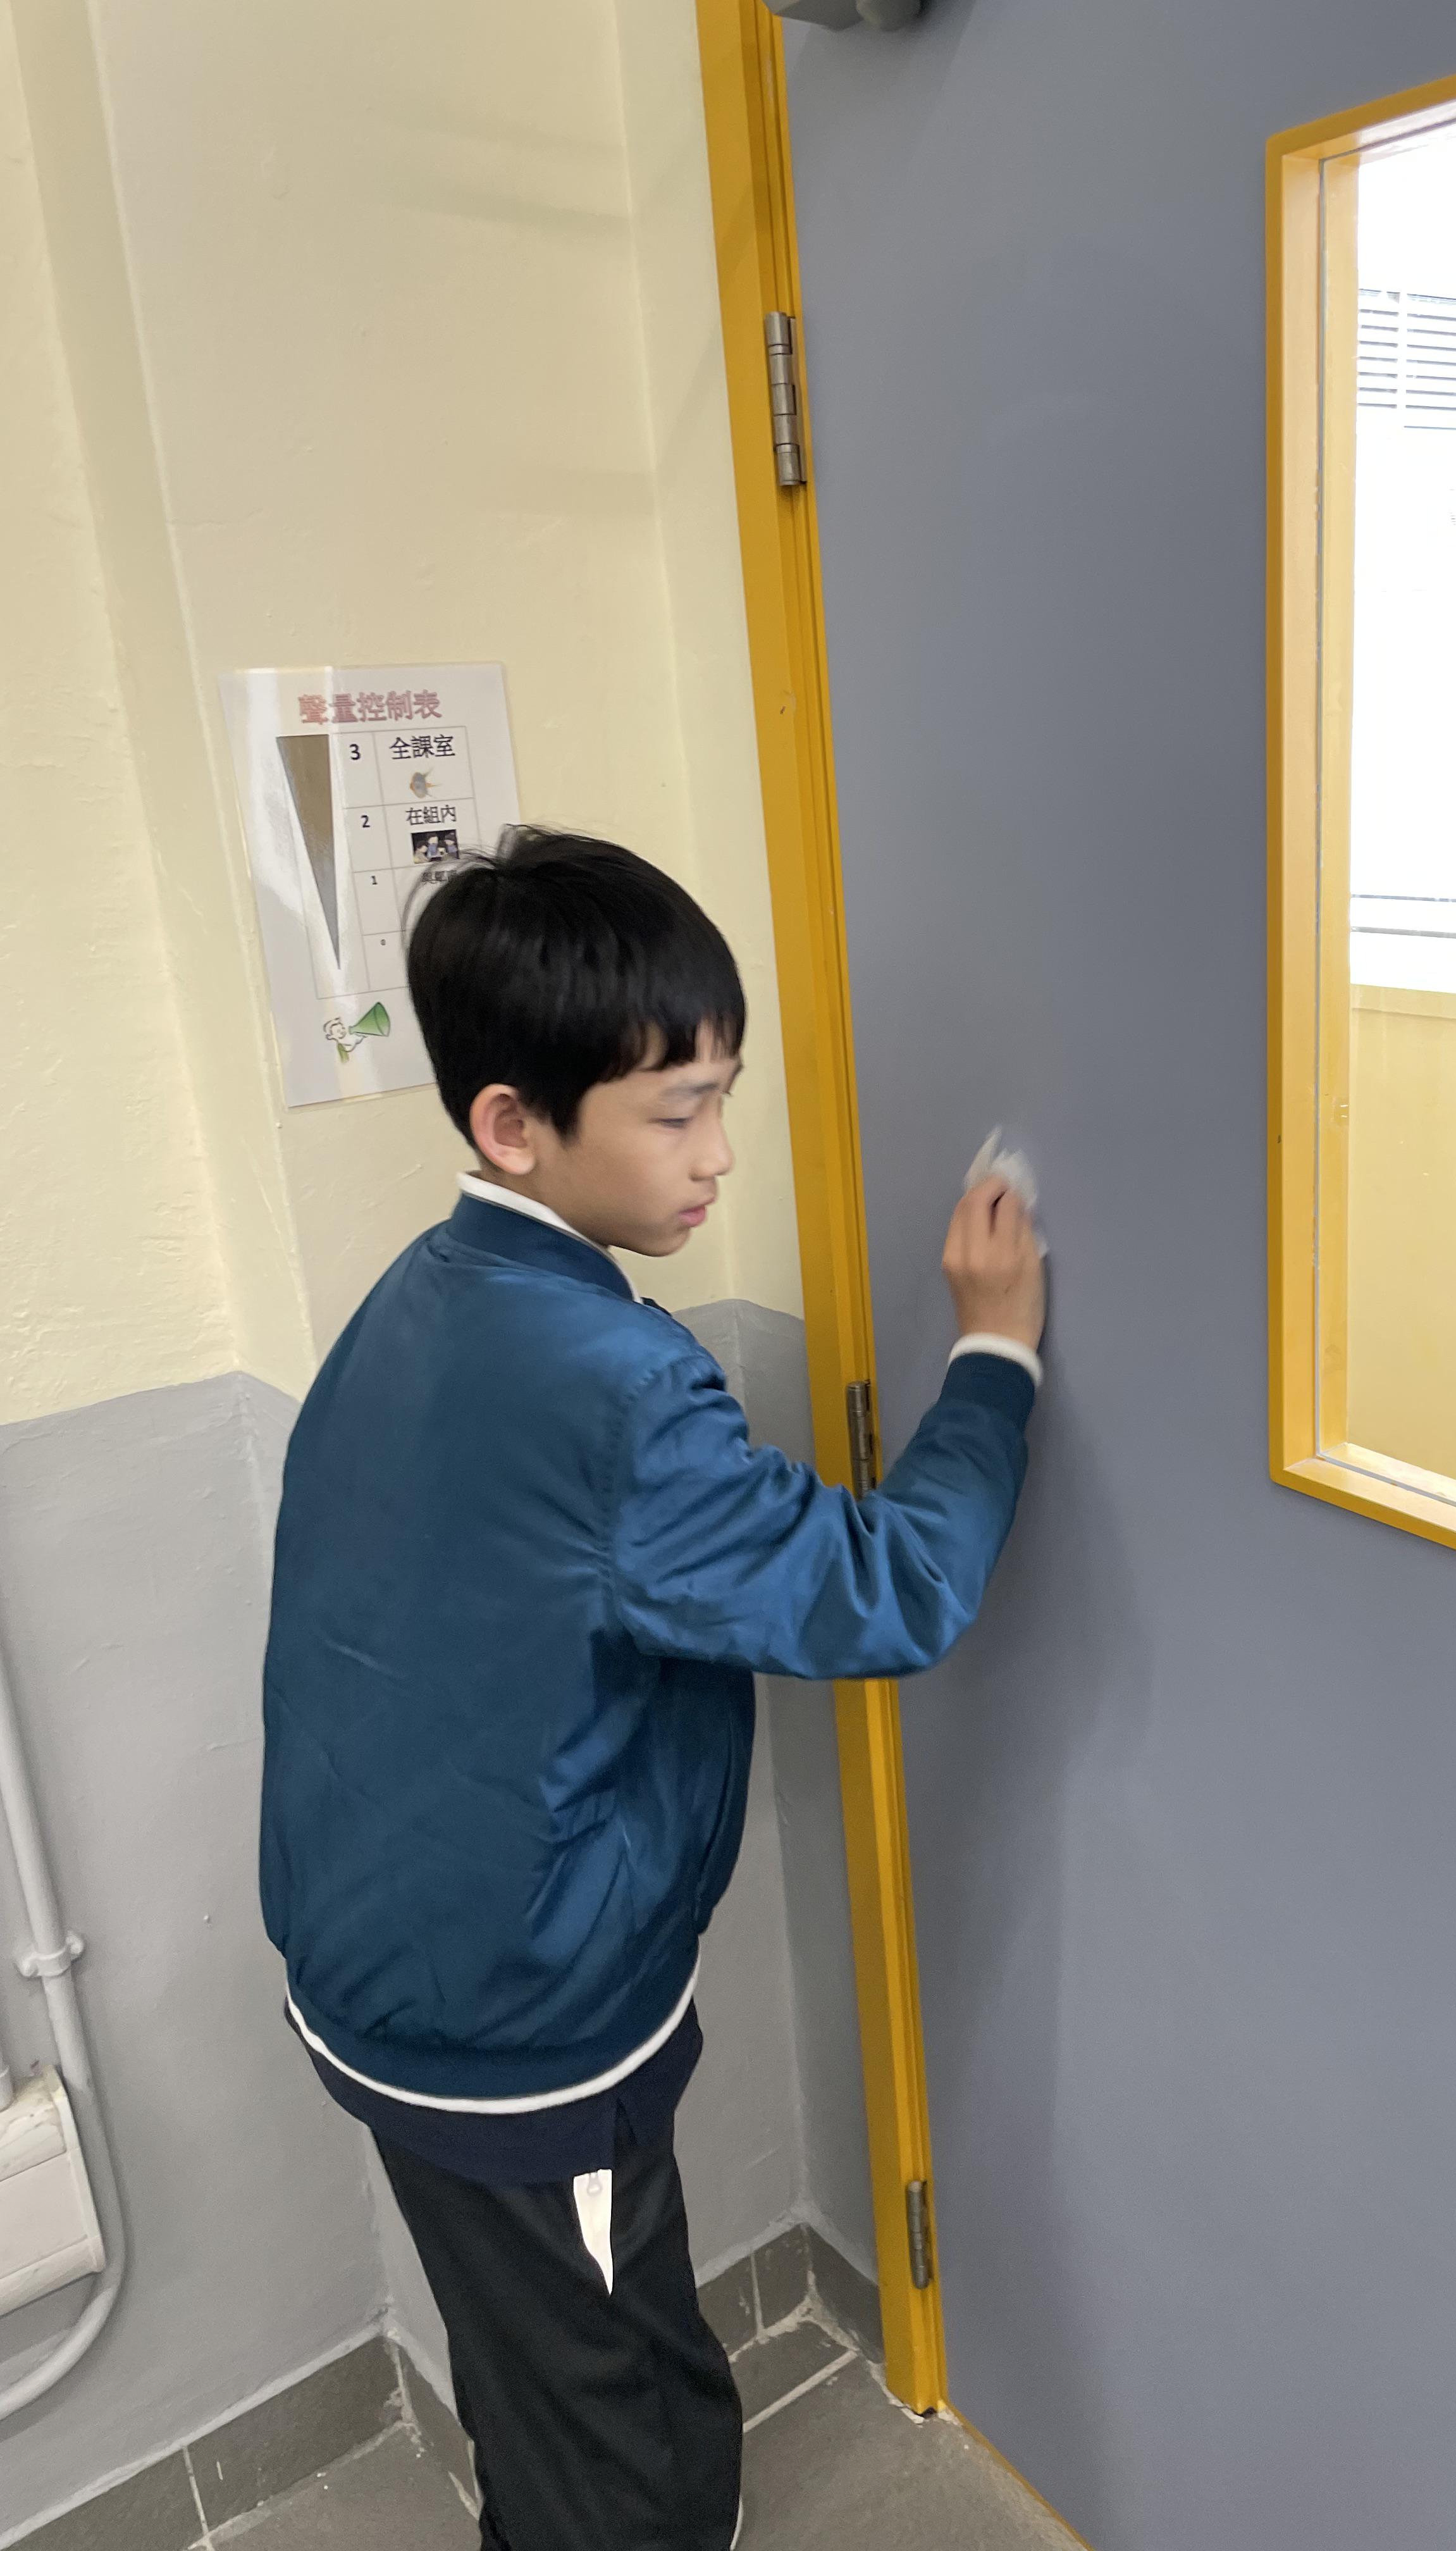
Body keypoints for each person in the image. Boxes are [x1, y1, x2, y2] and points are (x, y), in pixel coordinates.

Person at [258, 827, 1046, 2551]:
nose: (720, 1155)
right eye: (677, 1111)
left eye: (725, 1097)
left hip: (395, 1954)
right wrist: (994, 1351)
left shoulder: (426, 1295)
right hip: (515, 2012)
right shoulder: (613, 1383)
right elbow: (887, 1590)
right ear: (513, 1125)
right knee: (600, 2419)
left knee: (559, 2348)